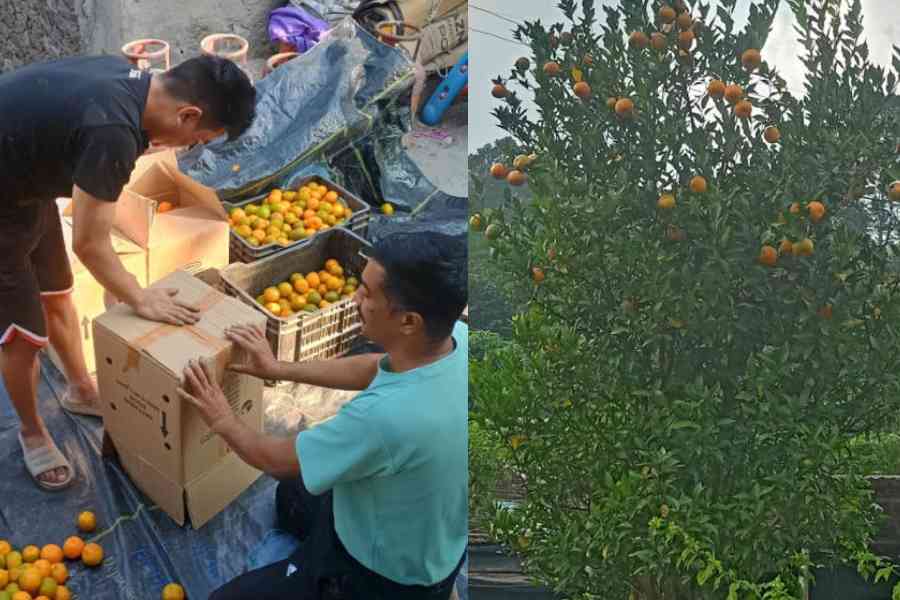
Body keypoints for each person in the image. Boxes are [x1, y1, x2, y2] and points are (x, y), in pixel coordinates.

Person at [0, 54, 256, 491]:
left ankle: (81, 389)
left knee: (58, 293)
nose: (189, 149)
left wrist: (119, 283)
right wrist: (139, 295)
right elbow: (90, 244)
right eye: (197, 140)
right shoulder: (112, 132)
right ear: (188, 114)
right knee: (22, 338)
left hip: (23, 179)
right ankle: (32, 432)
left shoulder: (131, 80)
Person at [178, 231, 468, 599]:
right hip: (427, 541)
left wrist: (221, 417)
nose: (355, 298)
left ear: (409, 321)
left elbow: (274, 459)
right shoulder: (455, 338)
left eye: (367, 292)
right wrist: (278, 368)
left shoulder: (386, 419)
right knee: (291, 499)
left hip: (380, 576)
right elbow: (375, 367)